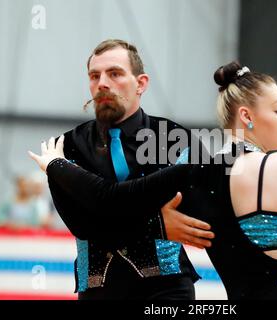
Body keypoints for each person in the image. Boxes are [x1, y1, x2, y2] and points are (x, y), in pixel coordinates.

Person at [30, 61, 277, 299]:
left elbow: (110, 200)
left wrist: (57, 165)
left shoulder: (199, 170)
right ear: (247, 116)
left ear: (141, 83)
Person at [42, 39, 214, 300]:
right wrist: (158, 223)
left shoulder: (174, 138)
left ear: (141, 83)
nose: (102, 83)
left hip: (167, 291)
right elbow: (83, 225)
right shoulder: (66, 147)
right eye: (94, 75)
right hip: (98, 291)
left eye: (114, 73)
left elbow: (200, 213)